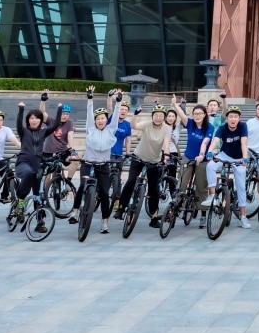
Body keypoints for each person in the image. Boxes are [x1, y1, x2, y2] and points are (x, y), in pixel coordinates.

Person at [70, 88, 122, 232]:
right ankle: (75, 211)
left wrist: (118, 103)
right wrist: (90, 99)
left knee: (105, 194)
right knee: (82, 186)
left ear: (106, 120)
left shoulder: (111, 130)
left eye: (103, 118)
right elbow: (88, 114)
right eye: (98, 119)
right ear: (94, 121)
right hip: (88, 164)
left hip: (103, 166)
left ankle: (105, 222)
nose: (100, 121)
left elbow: (116, 117)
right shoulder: (90, 129)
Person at [116, 104, 173, 230]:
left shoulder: (167, 128)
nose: (158, 118)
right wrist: (135, 114)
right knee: (131, 181)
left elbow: (166, 143)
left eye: (161, 116)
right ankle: (121, 208)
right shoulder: (147, 124)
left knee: (154, 189)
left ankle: (154, 217)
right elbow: (133, 126)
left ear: (164, 118)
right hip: (139, 157)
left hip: (154, 161)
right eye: (156, 115)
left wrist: (166, 156)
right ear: (152, 116)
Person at [12, 93, 64, 214]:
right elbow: (18, 124)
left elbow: (55, 125)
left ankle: (39, 222)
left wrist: (59, 109)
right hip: (23, 163)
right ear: (28, 120)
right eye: (31, 118)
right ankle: (20, 200)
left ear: (40, 120)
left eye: (36, 118)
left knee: (37, 192)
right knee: (29, 173)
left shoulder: (43, 132)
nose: (34, 120)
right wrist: (21, 110)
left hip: (37, 164)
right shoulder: (23, 131)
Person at [205, 105, 252, 229]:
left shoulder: (243, 126)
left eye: (235, 117)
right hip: (224, 154)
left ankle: (243, 217)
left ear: (239, 118)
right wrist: (210, 151)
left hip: (239, 158)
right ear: (227, 118)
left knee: (241, 186)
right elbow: (215, 141)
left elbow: (244, 142)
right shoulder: (222, 127)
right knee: (210, 166)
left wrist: (245, 157)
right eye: (231, 116)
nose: (233, 119)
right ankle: (212, 196)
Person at [171, 100, 214, 229]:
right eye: (195, 113)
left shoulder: (209, 127)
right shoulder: (190, 124)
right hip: (188, 157)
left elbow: (205, 142)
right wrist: (174, 105)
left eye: (200, 113)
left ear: (205, 114)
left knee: (201, 188)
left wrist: (201, 155)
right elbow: (181, 115)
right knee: (181, 184)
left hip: (203, 160)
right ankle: (175, 208)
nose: (197, 116)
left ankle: (203, 215)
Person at [41, 94, 76, 190]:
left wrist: (72, 150)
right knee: (49, 174)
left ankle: (68, 181)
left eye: (67, 114)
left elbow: (70, 136)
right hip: (48, 151)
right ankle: (45, 193)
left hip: (62, 151)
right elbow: (42, 113)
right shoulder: (51, 121)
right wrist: (43, 101)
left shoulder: (70, 123)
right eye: (63, 113)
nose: (64, 116)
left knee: (76, 159)